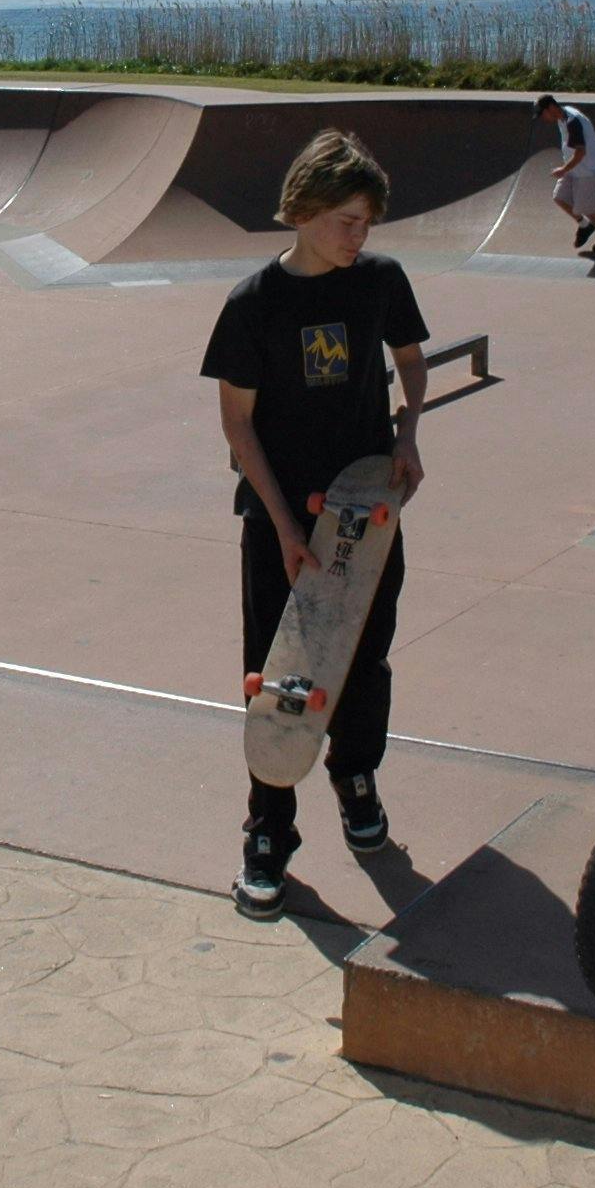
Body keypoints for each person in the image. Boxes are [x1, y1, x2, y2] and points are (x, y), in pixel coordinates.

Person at [201, 129, 430, 920]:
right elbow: (238, 424)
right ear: (303, 211)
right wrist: (281, 525)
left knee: (365, 659)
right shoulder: (253, 305)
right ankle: (269, 831)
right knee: (280, 673)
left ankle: (355, 777)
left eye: (367, 223)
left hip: (366, 512)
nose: (358, 236)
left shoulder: (381, 281)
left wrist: (407, 432)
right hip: (280, 516)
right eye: (345, 221)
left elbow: (412, 360)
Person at [535, 94, 595, 276]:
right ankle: (585, 225)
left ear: (551, 108)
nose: (543, 119)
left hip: (589, 168)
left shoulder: (573, 121)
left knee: (587, 208)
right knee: (560, 197)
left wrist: (563, 169)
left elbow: (581, 152)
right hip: (574, 168)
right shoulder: (563, 116)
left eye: (542, 114)